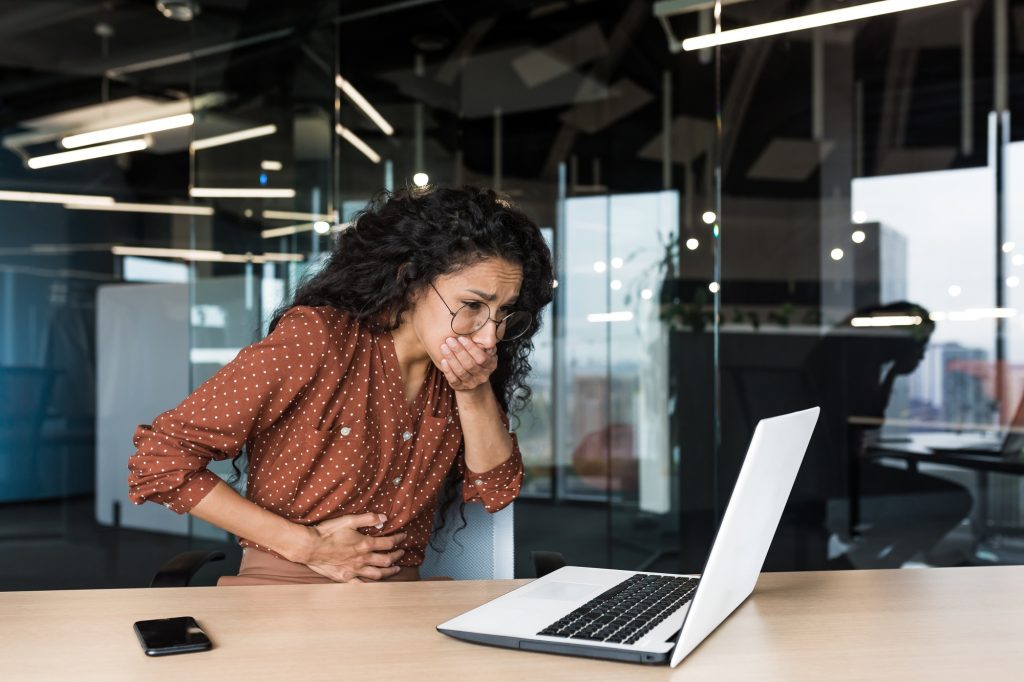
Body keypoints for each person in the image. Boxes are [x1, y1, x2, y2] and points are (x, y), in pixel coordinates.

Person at [127, 185, 554, 585]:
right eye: (473, 306)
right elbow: (160, 462)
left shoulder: (462, 373)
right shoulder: (317, 340)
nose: (489, 336)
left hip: (405, 599)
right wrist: (308, 545)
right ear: (410, 281)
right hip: (286, 584)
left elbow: (496, 490)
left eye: (504, 314)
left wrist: (472, 389)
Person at [806, 301, 973, 568]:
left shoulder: (848, 346)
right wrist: (895, 372)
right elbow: (871, 418)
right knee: (956, 500)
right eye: (920, 343)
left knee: (941, 499)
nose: (922, 352)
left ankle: (864, 560)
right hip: (837, 478)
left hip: (832, 472)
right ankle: (871, 561)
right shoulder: (861, 351)